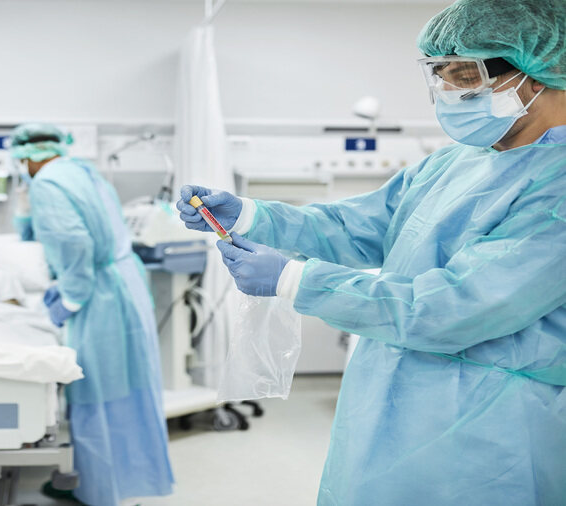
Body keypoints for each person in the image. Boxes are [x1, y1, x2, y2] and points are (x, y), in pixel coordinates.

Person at [178, 0, 565, 504]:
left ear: (535, 75)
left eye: (464, 74)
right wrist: (252, 216)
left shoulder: (555, 188)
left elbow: (457, 306)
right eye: (440, 75)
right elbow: (358, 225)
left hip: (491, 425)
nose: (450, 92)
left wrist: (297, 281)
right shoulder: (454, 163)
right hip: (393, 399)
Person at [10, 123, 173, 506]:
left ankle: (98, 491)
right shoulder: (82, 171)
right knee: (131, 389)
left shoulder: (47, 184)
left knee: (97, 392)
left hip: (98, 295)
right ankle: (132, 479)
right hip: (124, 284)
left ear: (25, 158)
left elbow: (72, 244)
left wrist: (70, 300)